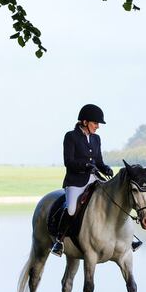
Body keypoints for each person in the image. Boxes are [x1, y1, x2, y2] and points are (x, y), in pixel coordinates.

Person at [51, 104, 114, 256]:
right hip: (76, 181)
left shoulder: (96, 138)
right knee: (72, 209)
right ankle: (59, 241)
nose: (97, 127)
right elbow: (69, 162)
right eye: (95, 123)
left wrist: (105, 168)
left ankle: (125, 237)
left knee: (112, 200)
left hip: (94, 179)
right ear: (85, 122)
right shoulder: (71, 136)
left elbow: (98, 161)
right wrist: (86, 166)